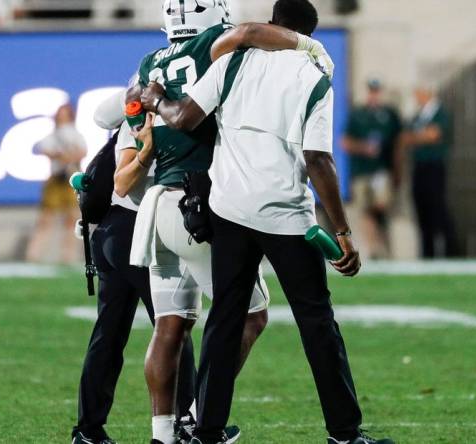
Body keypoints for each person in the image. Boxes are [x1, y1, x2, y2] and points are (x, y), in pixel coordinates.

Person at [139, 1, 394, 443]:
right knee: (317, 324)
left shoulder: (231, 64)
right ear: (309, 33)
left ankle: (206, 430)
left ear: (275, 23)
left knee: (224, 321)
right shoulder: (314, 74)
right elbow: (318, 160)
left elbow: (183, 118)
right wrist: (342, 231)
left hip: (231, 210)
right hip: (285, 214)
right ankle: (344, 433)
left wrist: (156, 98)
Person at [115, 2, 334, 442]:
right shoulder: (213, 48)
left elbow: (139, 118)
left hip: (155, 207)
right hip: (197, 205)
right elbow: (249, 34)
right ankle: (198, 418)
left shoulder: (149, 63)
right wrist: (305, 43)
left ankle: (163, 434)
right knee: (248, 315)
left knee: (170, 323)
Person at [71, 89, 197, 444]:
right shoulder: (146, 120)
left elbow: (102, 116)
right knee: (174, 326)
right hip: (134, 231)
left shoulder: (137, 111)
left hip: (112, 232)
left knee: (109, 335)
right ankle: (187, 421)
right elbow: (123, 183)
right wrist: (147, 150)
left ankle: (88, 429)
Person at [341, 79, 402, 259]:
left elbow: (398, 143)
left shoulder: (389, 114)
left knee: (381, 205)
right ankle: (374, 248)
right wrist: (364, 148)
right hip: (362, 170)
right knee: (365, 208)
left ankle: (382, 243)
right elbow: (345, 142)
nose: (374, 95)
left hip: (381, 170)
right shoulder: (358, 114)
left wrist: (398, 170)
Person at [398, 84, 456, 259]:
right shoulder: (418, 116)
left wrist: (417, 137)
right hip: (419, 166)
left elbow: (433, 135)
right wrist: (420, 137)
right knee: (421, 208)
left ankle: (450, 251)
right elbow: (405, 138)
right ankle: (427, 252)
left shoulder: (440, 113)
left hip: (434, 166)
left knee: (437, 207)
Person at [25, 104, 87, 264]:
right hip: (56, 177)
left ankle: (68, 255)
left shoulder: (74, 134)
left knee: (71, 218)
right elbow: (43, 149)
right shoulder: (54, 135)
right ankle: (34, 254)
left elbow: (82, 151)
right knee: (46, 218)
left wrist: (68, 156)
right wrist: (59, 155)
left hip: (69, 178)